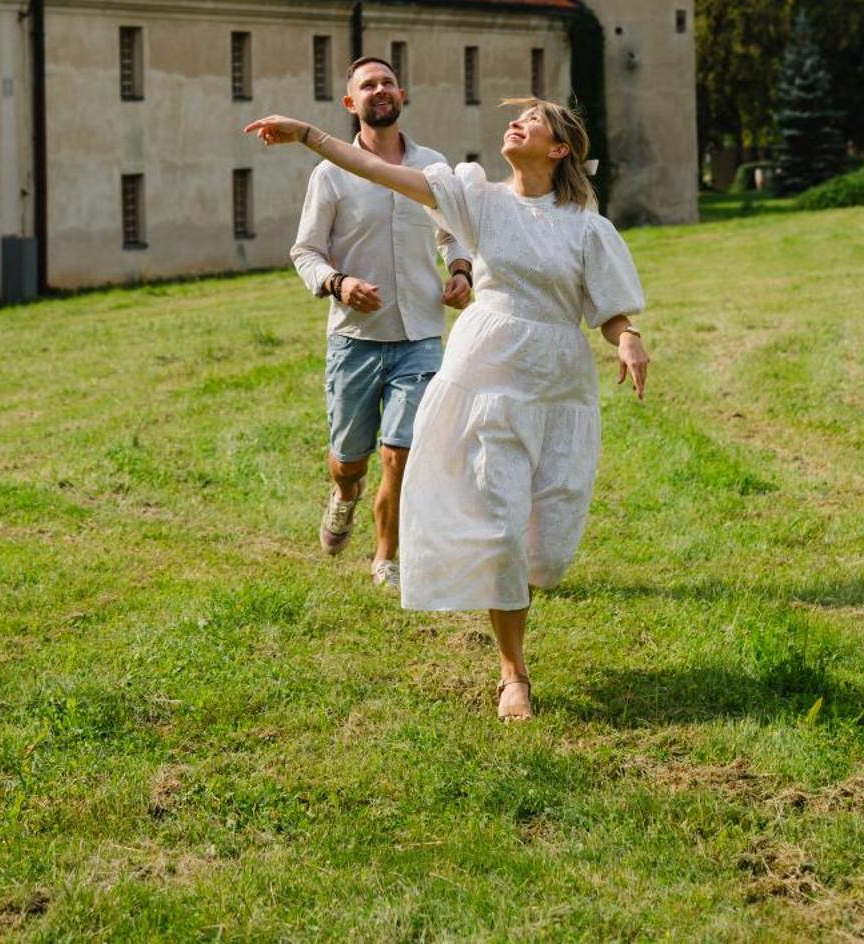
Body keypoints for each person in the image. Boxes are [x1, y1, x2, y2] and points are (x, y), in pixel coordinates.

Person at [247, 97, 649, 720]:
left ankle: (514, 608)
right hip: (487, 375)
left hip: (558, 385)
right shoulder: (476, 197)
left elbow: (606, 305)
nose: (516, 122)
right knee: (503, 523)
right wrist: (307, 135)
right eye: (517, 117)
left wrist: (626, 336)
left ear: (560, 150)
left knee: (549, 539)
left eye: (534, 121)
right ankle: (513, 674)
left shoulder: (584, 226)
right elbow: (378, 171)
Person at [290, 54, 472, 591]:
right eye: (368, 85)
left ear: (403, 94)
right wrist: (339, 283)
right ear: (351, 104)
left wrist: (460, 269)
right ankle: (343, 497)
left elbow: (452, 231)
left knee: (400, 452)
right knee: (351, 461)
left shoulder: (431, 166)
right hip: (355, 339)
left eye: (389, 82)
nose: (381, 90)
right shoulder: (330, 173)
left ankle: (386, 556)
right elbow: (305, 251)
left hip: (420, 334)